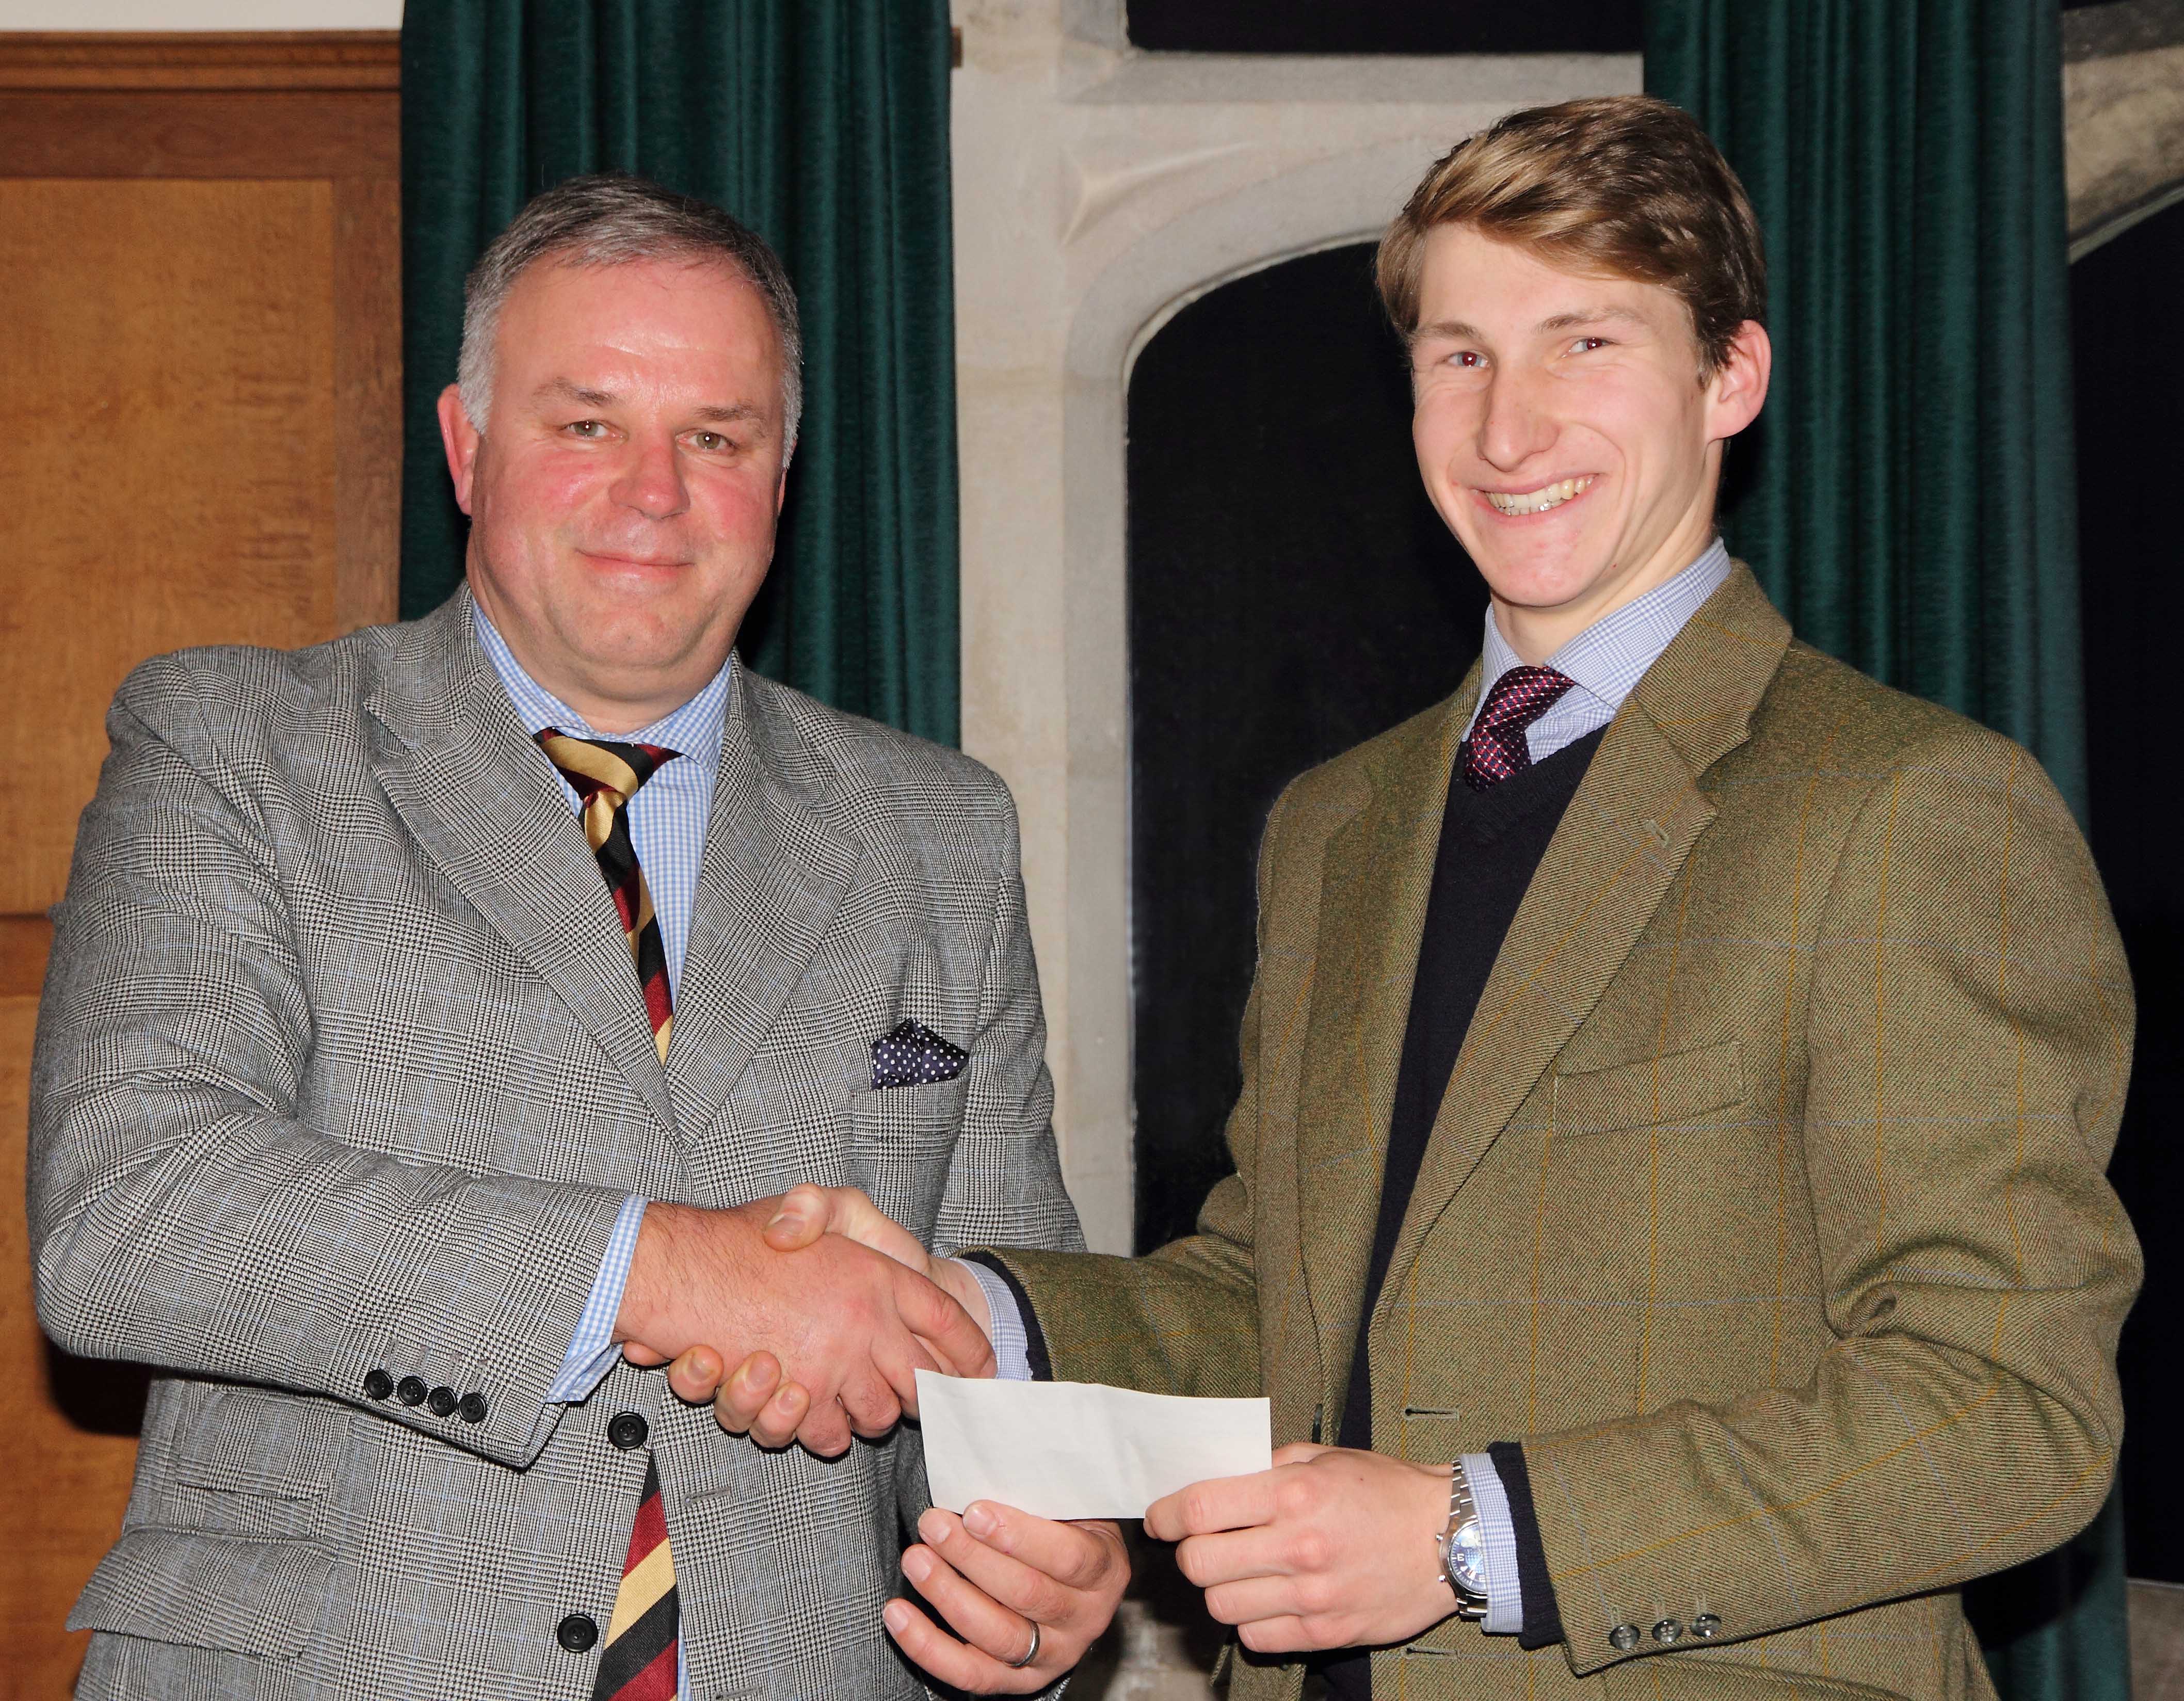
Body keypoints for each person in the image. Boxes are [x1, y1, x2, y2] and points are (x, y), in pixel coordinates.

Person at [731, 95, 2142, 1700]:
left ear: (1728, 378)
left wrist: (1482, 1535)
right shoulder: (1341, 825)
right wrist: (963, 1311)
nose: (1510, 428)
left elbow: (2011, 1412)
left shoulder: (1906, 807)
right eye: (1459, 354)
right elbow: (1277, 1310)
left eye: (1584, 345)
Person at [29, 173, 1125, 1700]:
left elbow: (1004, 1319)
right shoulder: (239, 746)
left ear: (784, 474)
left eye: (716, 439)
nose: (655, 491)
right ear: (468, 448)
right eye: (587, 424)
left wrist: (1038, 1579)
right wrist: (667, 1274)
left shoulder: (940, 832)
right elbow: (133, 1215)